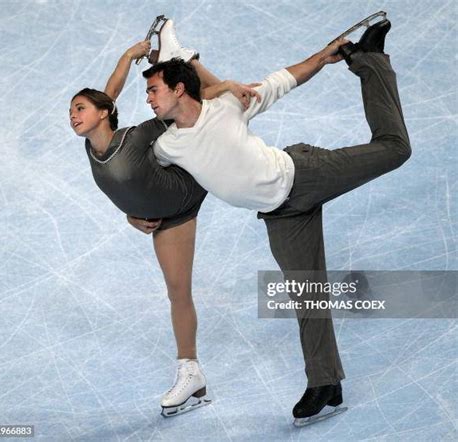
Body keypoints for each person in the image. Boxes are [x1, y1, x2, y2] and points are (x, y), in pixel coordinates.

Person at [143, 18, 411, 425]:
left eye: (153, 90)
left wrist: (322, 58)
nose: (147, 99)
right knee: (307, 294)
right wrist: (134, 213)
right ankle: (325, 384)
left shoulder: (226, 106)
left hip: (305, 173)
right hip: (282, 215)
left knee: (394, 149)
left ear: (179, 89)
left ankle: (372, 60)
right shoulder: (166, 145)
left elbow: (280, 81)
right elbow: (137, 177)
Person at [69, 19, 260, 418]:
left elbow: (188, 104)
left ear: (104, 114)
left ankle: (182, 58)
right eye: (72, 110)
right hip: (165, 218)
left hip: (189, 189)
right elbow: (111, 92)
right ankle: (192, 375)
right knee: (177, 293)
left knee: (208, 111)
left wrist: (223, 87)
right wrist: (130, 215)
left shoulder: (136, 136)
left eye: (81, 108)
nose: (73, 115)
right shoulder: (93, 146)